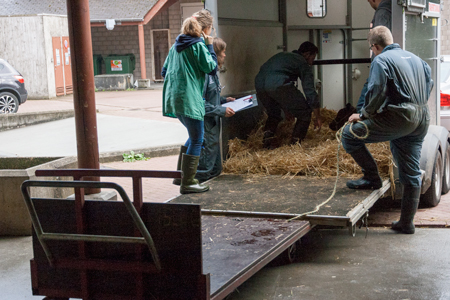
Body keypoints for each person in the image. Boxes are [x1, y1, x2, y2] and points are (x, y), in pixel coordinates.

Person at [342, 26, 433, 234]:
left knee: (350, 135)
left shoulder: (381, 60)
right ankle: (407, 223)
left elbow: (377, 91)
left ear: (375, 46)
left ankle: (372, 178)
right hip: (421, 116)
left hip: (401, 117)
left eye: (372, 49)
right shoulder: (416, 59)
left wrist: (363, 114)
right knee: (410, 172)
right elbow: (430, 83)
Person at [162, 9, 217, 194]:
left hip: (174, 99)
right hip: (190, 99)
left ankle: (181, 176)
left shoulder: (175, 46)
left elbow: (164, 71)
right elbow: (211, 67)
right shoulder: (198, 45)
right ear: (206, 29)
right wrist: (210, 46)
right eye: (211, 29)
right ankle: (188, 182)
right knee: (197, 139)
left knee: (193, 137)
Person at [255, 42, 322, 148]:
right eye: (312, 59)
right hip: (277, 83)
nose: (311, 63)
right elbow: (309, 90)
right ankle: (294, 147)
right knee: (304, 113)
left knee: (274, 114)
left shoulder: (284, 56)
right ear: (307, 54)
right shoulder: (302, 62)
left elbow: (279, 95)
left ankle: (266, 144)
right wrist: (318, 116)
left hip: (259, 84)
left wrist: (287, 110)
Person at [196, 37, 235, 182]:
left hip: (213, 127)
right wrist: (221, 111)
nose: (225, 55)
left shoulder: (214, 74)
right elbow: (199, 104)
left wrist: (224, 100)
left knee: (216, 169)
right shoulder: (205, 75)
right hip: (206, 126)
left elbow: (211, 97)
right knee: (205, 169)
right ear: (215, 53)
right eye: (223, 52)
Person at [355, 0, 392, 113]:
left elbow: (380, 39)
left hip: (381, 67)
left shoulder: (382, 12)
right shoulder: (393, 9)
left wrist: (363, 114)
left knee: (362, 105)